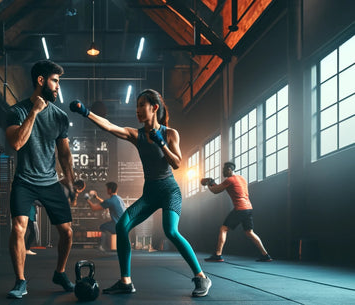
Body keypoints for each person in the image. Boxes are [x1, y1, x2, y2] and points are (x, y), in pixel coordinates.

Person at [70, 89, 212, 297]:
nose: (137, 110)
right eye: (136, 106)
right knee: (122, 225)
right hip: (150, 193)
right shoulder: (136, 135)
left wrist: (161, 143)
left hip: (169, 190)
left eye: (141, 105)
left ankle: (201, 277)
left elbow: (177, 163)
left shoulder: (170, 133)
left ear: (154, 108)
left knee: (170, 231)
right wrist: (86, 112)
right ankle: (125, 281)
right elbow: (110, 126)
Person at [6, 60, 76, 299]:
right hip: (24, 180)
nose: (57, 87)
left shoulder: (60, 117)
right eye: (55, 81)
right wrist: (34, 111)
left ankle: (60, 272)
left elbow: (64, 152)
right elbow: (16, 142)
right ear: (41, 80)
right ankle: (20, 281)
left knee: (67, 232)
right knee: (18, 228)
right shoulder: (17, 111)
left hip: (49, 181)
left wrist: (70, 179)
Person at [202, 162, 273, 262]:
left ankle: (218, 255)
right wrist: (213, 183)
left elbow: (216, 191)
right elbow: (220, 186)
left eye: (224, 169)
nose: (222, 171)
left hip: (240, 208)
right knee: (249, 232)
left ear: (229, 170)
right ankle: (265, 255)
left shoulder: (230, 180)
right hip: (248, 208)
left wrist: (208, 184)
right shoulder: (241, 179)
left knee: (223, 229)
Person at [85, 182, 126, 251]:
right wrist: (97, 197)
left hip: (117, 225)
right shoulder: (119, 199)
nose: (106, 190)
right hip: (125, 225)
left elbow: (94, 208)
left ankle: (102, 246)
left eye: (107, 189)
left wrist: (87, 199)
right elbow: (105, 202)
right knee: (107, 226)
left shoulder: (110, 201)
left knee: (102, 227)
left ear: (109, 190)